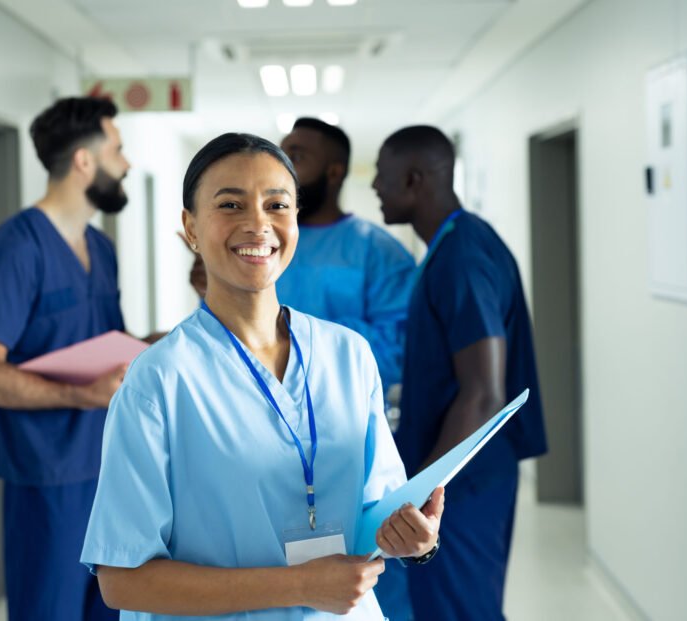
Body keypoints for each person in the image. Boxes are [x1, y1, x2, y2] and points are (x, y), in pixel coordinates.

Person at [80, 133, 444, 620]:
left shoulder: (349, 356)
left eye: (277, 204)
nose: (257, 224)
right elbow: (121, 580)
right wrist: (298, 585)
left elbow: (377, 511)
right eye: (230, 204)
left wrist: (415, 538)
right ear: (190, 227)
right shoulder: (160, 381)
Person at [0, 96, 133, 621]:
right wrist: (79, 394)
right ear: (85, 160)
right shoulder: (17, 249)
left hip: (109, 473)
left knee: (115, 610)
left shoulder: (101, 250)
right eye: (118, 150)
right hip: (47, 482)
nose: (126, 164)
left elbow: (105, 343)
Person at [372, 126, 548, 621]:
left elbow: (484, 392)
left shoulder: (463, 258)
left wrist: (424, 489)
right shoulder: (451, 247)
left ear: (412, 179)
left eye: (382, 179)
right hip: (465, 472)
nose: (376, 190)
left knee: (462, 609)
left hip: (463, 482)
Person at [277, 118, 414, 390]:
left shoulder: (380, 251)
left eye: (297, 157)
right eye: (280, 156)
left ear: (334, 173)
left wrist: (295, 339)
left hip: (346, 419)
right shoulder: (263, 242)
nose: (282, 168)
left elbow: (399, 351)